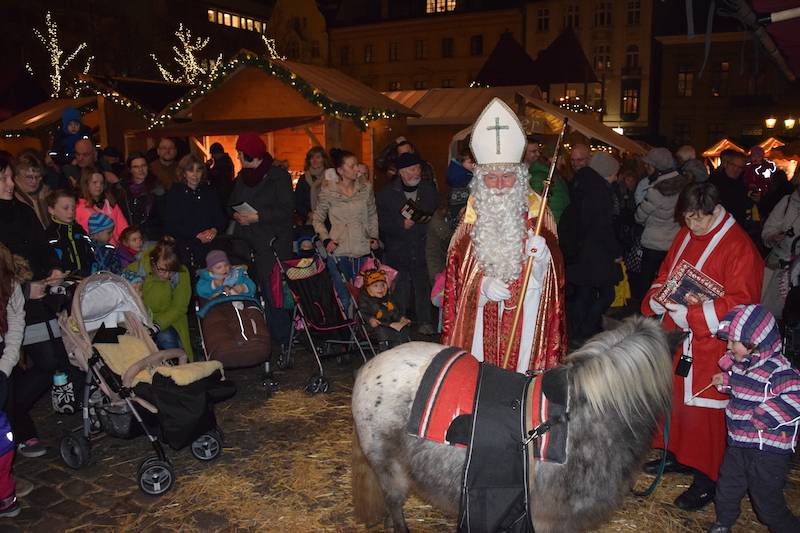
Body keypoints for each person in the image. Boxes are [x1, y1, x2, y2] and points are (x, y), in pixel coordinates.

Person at [641, 182, 764, 512]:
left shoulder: (740, 248)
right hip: (680, 338)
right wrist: (657, 298)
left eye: (699, 219)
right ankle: (679, 455)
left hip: (712, 345)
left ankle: (709, 478)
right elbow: (667, 272)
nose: (693, 226)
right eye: (688, 219)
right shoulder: (685, 234)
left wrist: (693, 315)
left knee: (704, 412)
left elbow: (744, 302)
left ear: (715, 211)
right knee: (675, 401)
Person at [441, 98, 566, 372]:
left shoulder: (539, 215)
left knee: (519, 377)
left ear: (519, 177)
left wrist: (543, 260)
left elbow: (557, 281)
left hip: (527, 313)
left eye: (507, 176)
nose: (499, 185)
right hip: (480, 322)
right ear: (480, 180)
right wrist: (481, 288)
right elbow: (455, 276)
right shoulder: (470, 219)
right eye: (491, 177)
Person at [707, 304, 800, 533]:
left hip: (766, 449)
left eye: (733, 341)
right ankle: (723, 523)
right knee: (727, 486)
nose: (728, 346)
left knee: (766, 501)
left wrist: (763, 416)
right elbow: (743, 388)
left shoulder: (780, 370)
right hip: (739, 443)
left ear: (754, 341)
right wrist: (727, 383)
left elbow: (795, 399)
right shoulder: (742, 366)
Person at [0, 153, 67, 459]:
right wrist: (26, 290)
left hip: (39, 297)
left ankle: (13, 414)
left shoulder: (22, 210)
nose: (10, 184)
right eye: (3, 179)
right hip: (12, 304)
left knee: (51, 360)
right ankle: (21, 426)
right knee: (11, 367)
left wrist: (53, 267)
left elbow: (40, 243)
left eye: (9, 177)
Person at [227, 133, 294, 347]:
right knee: (251, 290)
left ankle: (281, 339)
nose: (237, 157)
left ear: (250, 155)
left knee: (274, 292)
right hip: (246, 243)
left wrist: (258, 216)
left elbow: (287, 210)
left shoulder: (278, 177)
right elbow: (230, 202)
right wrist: (235, 214)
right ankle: (256, 336)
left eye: (239, 153)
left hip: (272, 244)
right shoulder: (242, 177)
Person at [562, 152, 623, 343]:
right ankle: (585, 329)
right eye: (614, 173)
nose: (616, 177)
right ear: (606, 172)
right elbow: (602, 227)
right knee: (606, 293)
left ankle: (577, 331)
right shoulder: (599, 192)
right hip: (594, 252)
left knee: (584, 292)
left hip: (579, 251)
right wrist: (615, 252)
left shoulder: (582, 185)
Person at [377, 152, 438, 335]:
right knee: (400, 288)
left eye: (418, 168)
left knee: (422, 285)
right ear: (402, 172)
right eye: (412, 169)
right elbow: (381, 222)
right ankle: (399, 321)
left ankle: (425, 321)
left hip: (422, 245)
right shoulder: (386, 194)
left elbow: (435, 210)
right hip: (399, 248)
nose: (416, 172)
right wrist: (400, 225)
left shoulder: (428, 189)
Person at [313, 149, 379, 311]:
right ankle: (346, 332)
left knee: (364, 295)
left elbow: (372, 214)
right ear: (341, 171)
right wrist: (326, 239)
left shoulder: (365, 188)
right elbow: (318, 218)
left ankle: (361, 331)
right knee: (343, 295)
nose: (357, 168)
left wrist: (373, 236)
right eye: (352, 166)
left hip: (362, 249)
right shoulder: (329, 190)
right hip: (338, 250)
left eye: (357, 164)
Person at [0, 243, 33, 516]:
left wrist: (4, 367)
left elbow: (15, 324)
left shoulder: (8, 283)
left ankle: (4, 484)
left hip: (1, 361)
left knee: (3, 427)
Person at [635, 149, 691, 298]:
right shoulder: (685, 185)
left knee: (646, 281)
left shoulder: (655, 190)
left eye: (649, 166)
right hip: (675, 243)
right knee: (669, 280)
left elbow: (639, 217)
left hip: (653, 244)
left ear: (656, 167)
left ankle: (646, 311)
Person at [126, 236, 193, 359]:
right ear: (152, 261)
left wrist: (155, 326)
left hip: (170, 320)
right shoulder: (134, 271)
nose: (167, 275)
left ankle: (178, 371)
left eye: (171, 270)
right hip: (140, 319)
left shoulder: (181, 273)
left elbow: (179, 308)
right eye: (162, 270)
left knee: (166, 337)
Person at [163, 153, 226, 268]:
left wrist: (214, 230)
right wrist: (195, 236)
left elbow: (220, 218)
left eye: (198, 170)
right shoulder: (175, 193)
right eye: (190, 170)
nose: (195, 175)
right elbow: (170, 224)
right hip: (185, 247)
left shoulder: (209, 192)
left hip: (210, 246)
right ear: (183, 173)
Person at [760, 176, 800, 318]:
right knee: (769, 313)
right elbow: (767, 231)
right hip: (779, 266)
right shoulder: (787, 202)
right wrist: (774, 237)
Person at [358, 268, 411, 350]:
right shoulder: (365, 299)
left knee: (403, 328)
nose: (380, 288)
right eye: (376, 286)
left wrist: (401, 318)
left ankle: (400, 348)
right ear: (368, 287)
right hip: (372, 325)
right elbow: (363, 312)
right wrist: (370, 319)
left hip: (387, 322)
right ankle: (385, 350)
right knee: (383, 330)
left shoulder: (387, 298)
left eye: (382, 285)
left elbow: (393, 311)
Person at [45, 189, 94, 277]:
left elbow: (90, 251)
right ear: (51, 210)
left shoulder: (79, 230)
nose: (71, 212)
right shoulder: (50, 235)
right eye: (65, 208)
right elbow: (49, 261)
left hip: (86, 278)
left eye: (73, 208)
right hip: (63, 281)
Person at [75, 167, 129, 246]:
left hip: (117, 249)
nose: (98, 186)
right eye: (94, 182)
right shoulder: (80, 208)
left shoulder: (111, 203)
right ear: (86, 184)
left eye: (101, 183)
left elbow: (123, 228)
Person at [525, 136, 569, 223]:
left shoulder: (549, 173)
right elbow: (535, 209)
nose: (538, 154)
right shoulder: (538, 176)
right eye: (533, 151)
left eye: (538, 151)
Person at [122, 153, 162, 242]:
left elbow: (162, 217)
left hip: (151, 237)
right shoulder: (122, 190)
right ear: (130, 169)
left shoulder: (158, 189)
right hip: (129, 237)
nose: (140, 170)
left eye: (143, 165)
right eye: (136, 167)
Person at [294, 146, 330, 226]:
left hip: (329, 220)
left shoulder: (330, 177)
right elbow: (297, 201)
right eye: (311, 157)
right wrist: (309, 214)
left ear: (324, 159)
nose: (314, 160)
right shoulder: (303, 179)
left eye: (318, 157)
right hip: (309, 220)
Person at [13, 154, 50, 228]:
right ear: (16, 176)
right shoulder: (12, 201)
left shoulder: (45, 195)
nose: (34, 181)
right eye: (29, 177)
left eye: (37, 177)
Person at [445, 148, 474, 222]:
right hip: (457, 201)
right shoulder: (458, 172)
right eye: (470, 162)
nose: (473, 165)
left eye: (474, 163)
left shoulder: (463, 171)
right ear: (461, 161)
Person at [206, 142, 234, 209]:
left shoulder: (223, 163)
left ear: (217, 153)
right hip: (222, 194)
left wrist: (207, 167)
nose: (212, 156)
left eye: (213, 154)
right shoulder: (224, 161)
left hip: (222, 195)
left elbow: (213, 176)